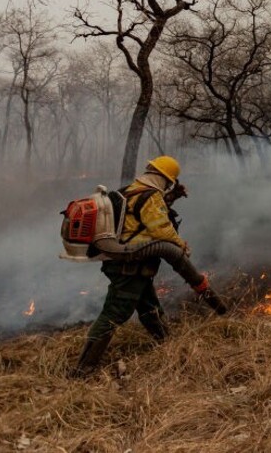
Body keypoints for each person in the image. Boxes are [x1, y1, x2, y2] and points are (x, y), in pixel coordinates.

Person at [71, 156, 228, 377]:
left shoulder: (131, 190)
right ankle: (82, 369)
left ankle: (167, 345)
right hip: (130, 266)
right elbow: (160, 228)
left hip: (126, 264)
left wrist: (171, 197)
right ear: (167, 179)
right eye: (169, 184)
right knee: (115, 313)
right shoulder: (150, 196)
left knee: (149, 307)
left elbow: (142, 213)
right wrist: (181, 246)